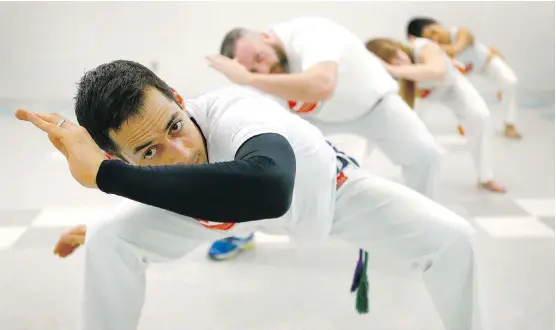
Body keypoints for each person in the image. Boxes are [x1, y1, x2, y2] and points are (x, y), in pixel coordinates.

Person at [17, 59, 484, 330]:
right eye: (149, 150)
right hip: (213, 208)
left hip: (323, 193)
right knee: (110, 239)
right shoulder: (144, 165)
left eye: (175, 125)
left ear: (179, 97)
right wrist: (103, 219)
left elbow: (267, 188)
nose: (180, 153)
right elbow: (166, 185)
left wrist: (105, 177)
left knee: (453, 238)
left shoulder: (238, 110)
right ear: (115, 154)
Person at [206, 16, 443, 260]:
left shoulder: (310, 33)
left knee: (426, 154)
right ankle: (242, 230)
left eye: (260, 58)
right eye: (254, 69)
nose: (263, 70)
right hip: (316, 121)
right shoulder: (257, 77)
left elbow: (322, 85)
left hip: (375, 104)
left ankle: (427, 232)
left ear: (267, 37)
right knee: (259, 160)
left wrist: (249, 77)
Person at [365, 37, 507, 196]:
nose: (399, 62)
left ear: (399, 47)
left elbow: (437, 72)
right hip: (422, 97)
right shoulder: (390, 75)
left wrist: (392, 69)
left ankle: (485, 176)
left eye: (398, 55)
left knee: (479, 116)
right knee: (388, 123)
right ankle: (355, 170)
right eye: (391, 61)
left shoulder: (423, 47)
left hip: (451, 86)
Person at [406, 17, 522, 139]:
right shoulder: (431, 50)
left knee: (511, 82)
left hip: (485, 63)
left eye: (434, 31)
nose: (435, 38)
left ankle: (510, 124)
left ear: (440, 25)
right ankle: (414, 129)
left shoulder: (460, 33)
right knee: (434, 94)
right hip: (459, 74)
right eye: (430, 38)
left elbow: (457, 48)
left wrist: (438, 49)